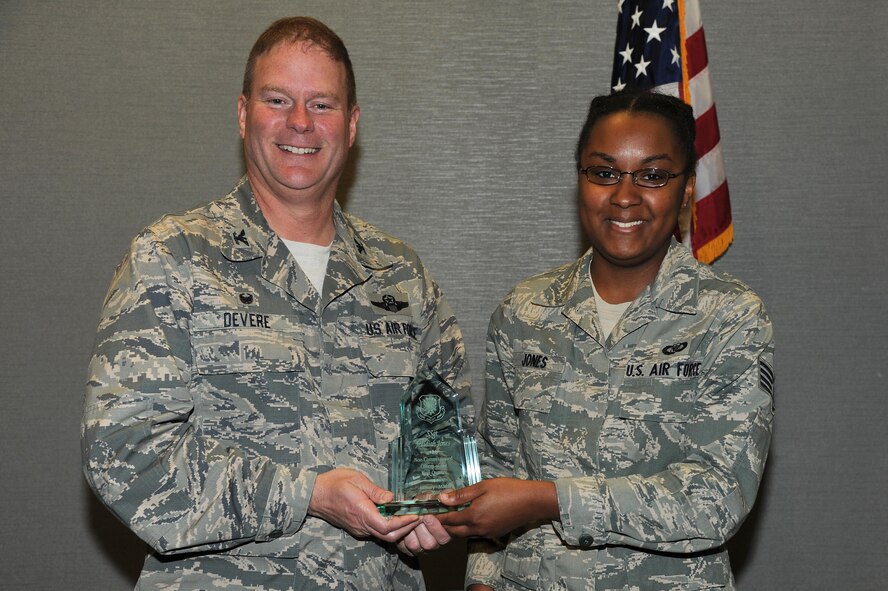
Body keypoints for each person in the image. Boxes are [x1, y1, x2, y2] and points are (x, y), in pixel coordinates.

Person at [82, 16, 466, 590]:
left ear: (352, 124)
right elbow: (123, 451)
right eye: (278, 99)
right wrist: (307, 494)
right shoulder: (174, 257)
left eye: (323, 105)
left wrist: (431, 505)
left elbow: (443, 438)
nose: (300, 124)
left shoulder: (403, 279)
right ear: (243, 114)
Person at [437, 89, 774, 590]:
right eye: (604, 172)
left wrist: (549, 499)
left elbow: (717, 499)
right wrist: (482, 579)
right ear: (580, 181)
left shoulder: (729, 317)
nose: (625, 196)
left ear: (686, 192)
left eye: (653, 175)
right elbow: (497, 465)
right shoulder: (523, 312)